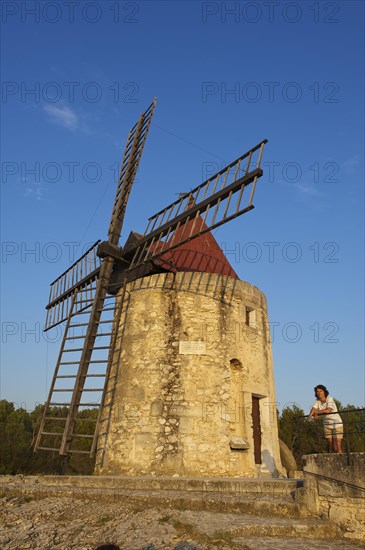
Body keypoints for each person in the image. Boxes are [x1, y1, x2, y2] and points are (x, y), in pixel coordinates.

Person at [308, 384, 343, 453]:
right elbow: (313, 409)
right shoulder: (317, 401)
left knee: (337, 447)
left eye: (321, 391)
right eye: (317, 391)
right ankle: (334, 462)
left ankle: (343, 462)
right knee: (331, 446)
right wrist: (312, 414)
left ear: (324, 392)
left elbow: (328, 410)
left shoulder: (329, 399)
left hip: (337, 424)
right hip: (327, 425)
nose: (319, 393)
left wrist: (317, 412)